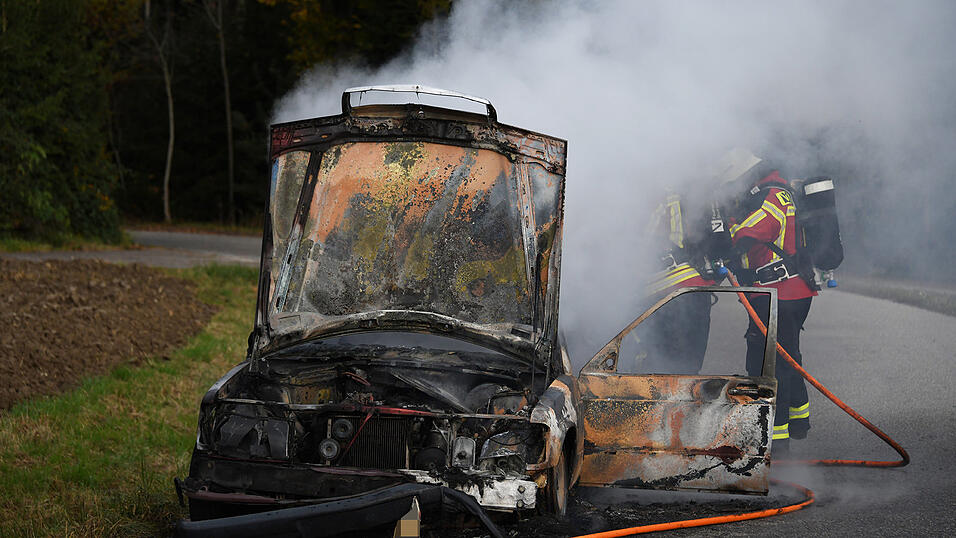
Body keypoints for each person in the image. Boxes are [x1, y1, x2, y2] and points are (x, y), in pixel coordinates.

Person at [721, 149, 816, 454]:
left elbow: (756, 230)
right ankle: (798, 423)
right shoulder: (780, 191)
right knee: (788, 357)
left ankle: (776, 442)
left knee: (769, 365)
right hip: (790, 291)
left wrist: (730, 237)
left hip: (779, 290)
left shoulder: (774, 194)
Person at [635, 192, 719, 375]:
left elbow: (642, 246)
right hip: (700, 287)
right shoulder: (705, 194)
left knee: (662, 364)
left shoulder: (662, 196)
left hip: (667, 289)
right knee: (689, 365)